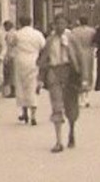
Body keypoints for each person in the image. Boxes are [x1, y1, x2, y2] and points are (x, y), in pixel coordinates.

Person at [37, 13, 87, 152]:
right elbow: (43, 61)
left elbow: (80, 58)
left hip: (69, 73)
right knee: (56, 107)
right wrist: (40, 79)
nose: (59, 26)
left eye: (62, 23)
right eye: (57, 23)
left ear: (66, 25)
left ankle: (71, 131)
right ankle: (58, 141)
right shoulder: (49, 40)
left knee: (71, 107)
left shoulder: (72, 39)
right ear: (53, 24)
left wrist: (83, 78)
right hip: (54, 73)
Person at [9, 16, 46, 126]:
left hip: (20, 60)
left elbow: (11, 44)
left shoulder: (17, 34)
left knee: (21, 86)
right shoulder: (37, 34)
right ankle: (33, 115)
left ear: (20, 22)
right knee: (32, 86)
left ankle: (24, 112)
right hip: (33, 60)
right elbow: (43, 46)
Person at [70, 15, 97, 106]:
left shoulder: (74, 31)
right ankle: (86, 97)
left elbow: (71, 43)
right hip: (88, 53)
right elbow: (94, 42)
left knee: (79, 74)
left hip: (77, 53)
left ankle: (80, 97)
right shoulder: (92, 31)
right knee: (87, 74)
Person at [0, 20, 17, 98]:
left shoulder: (10, 34)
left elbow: (8, 45)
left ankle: (12, 91)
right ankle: (13, 90)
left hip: (11, 55)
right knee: (12, 74)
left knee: (11, 74)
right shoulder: (16, 33)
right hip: (14, 55)